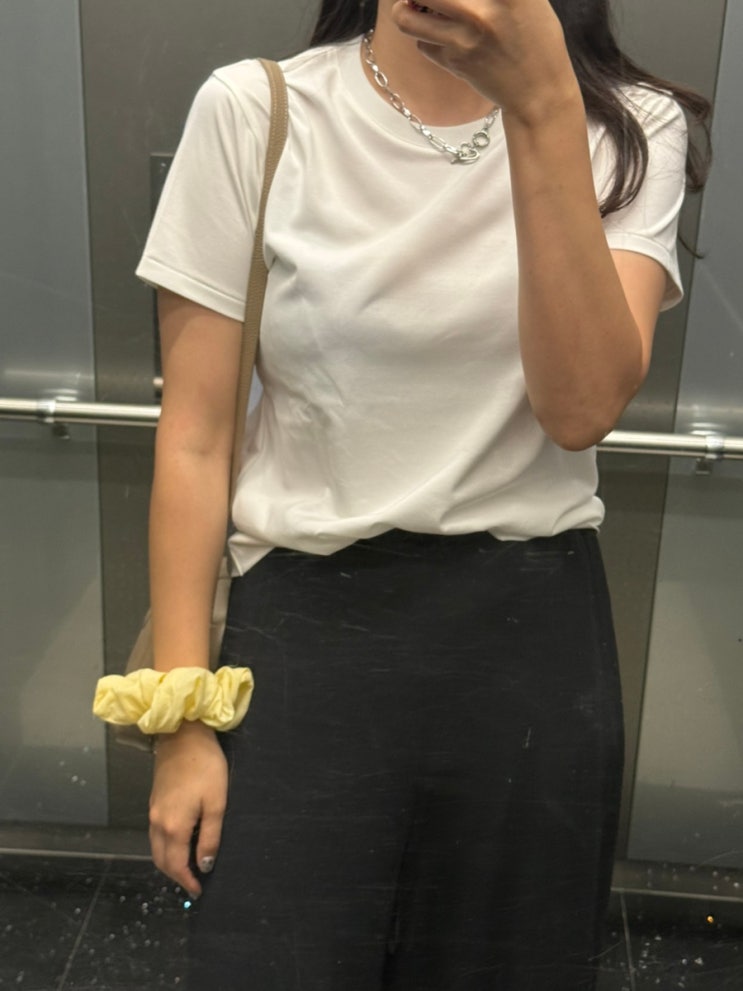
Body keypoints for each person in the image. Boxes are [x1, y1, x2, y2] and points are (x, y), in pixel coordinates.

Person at [130, 1, 710, 988]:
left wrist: (540, 104)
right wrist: (178, 727)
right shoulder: (258, 109)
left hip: (528, 637)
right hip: (303, 631)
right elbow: (194, 437)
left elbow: (578, 407)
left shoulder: (625, 126)